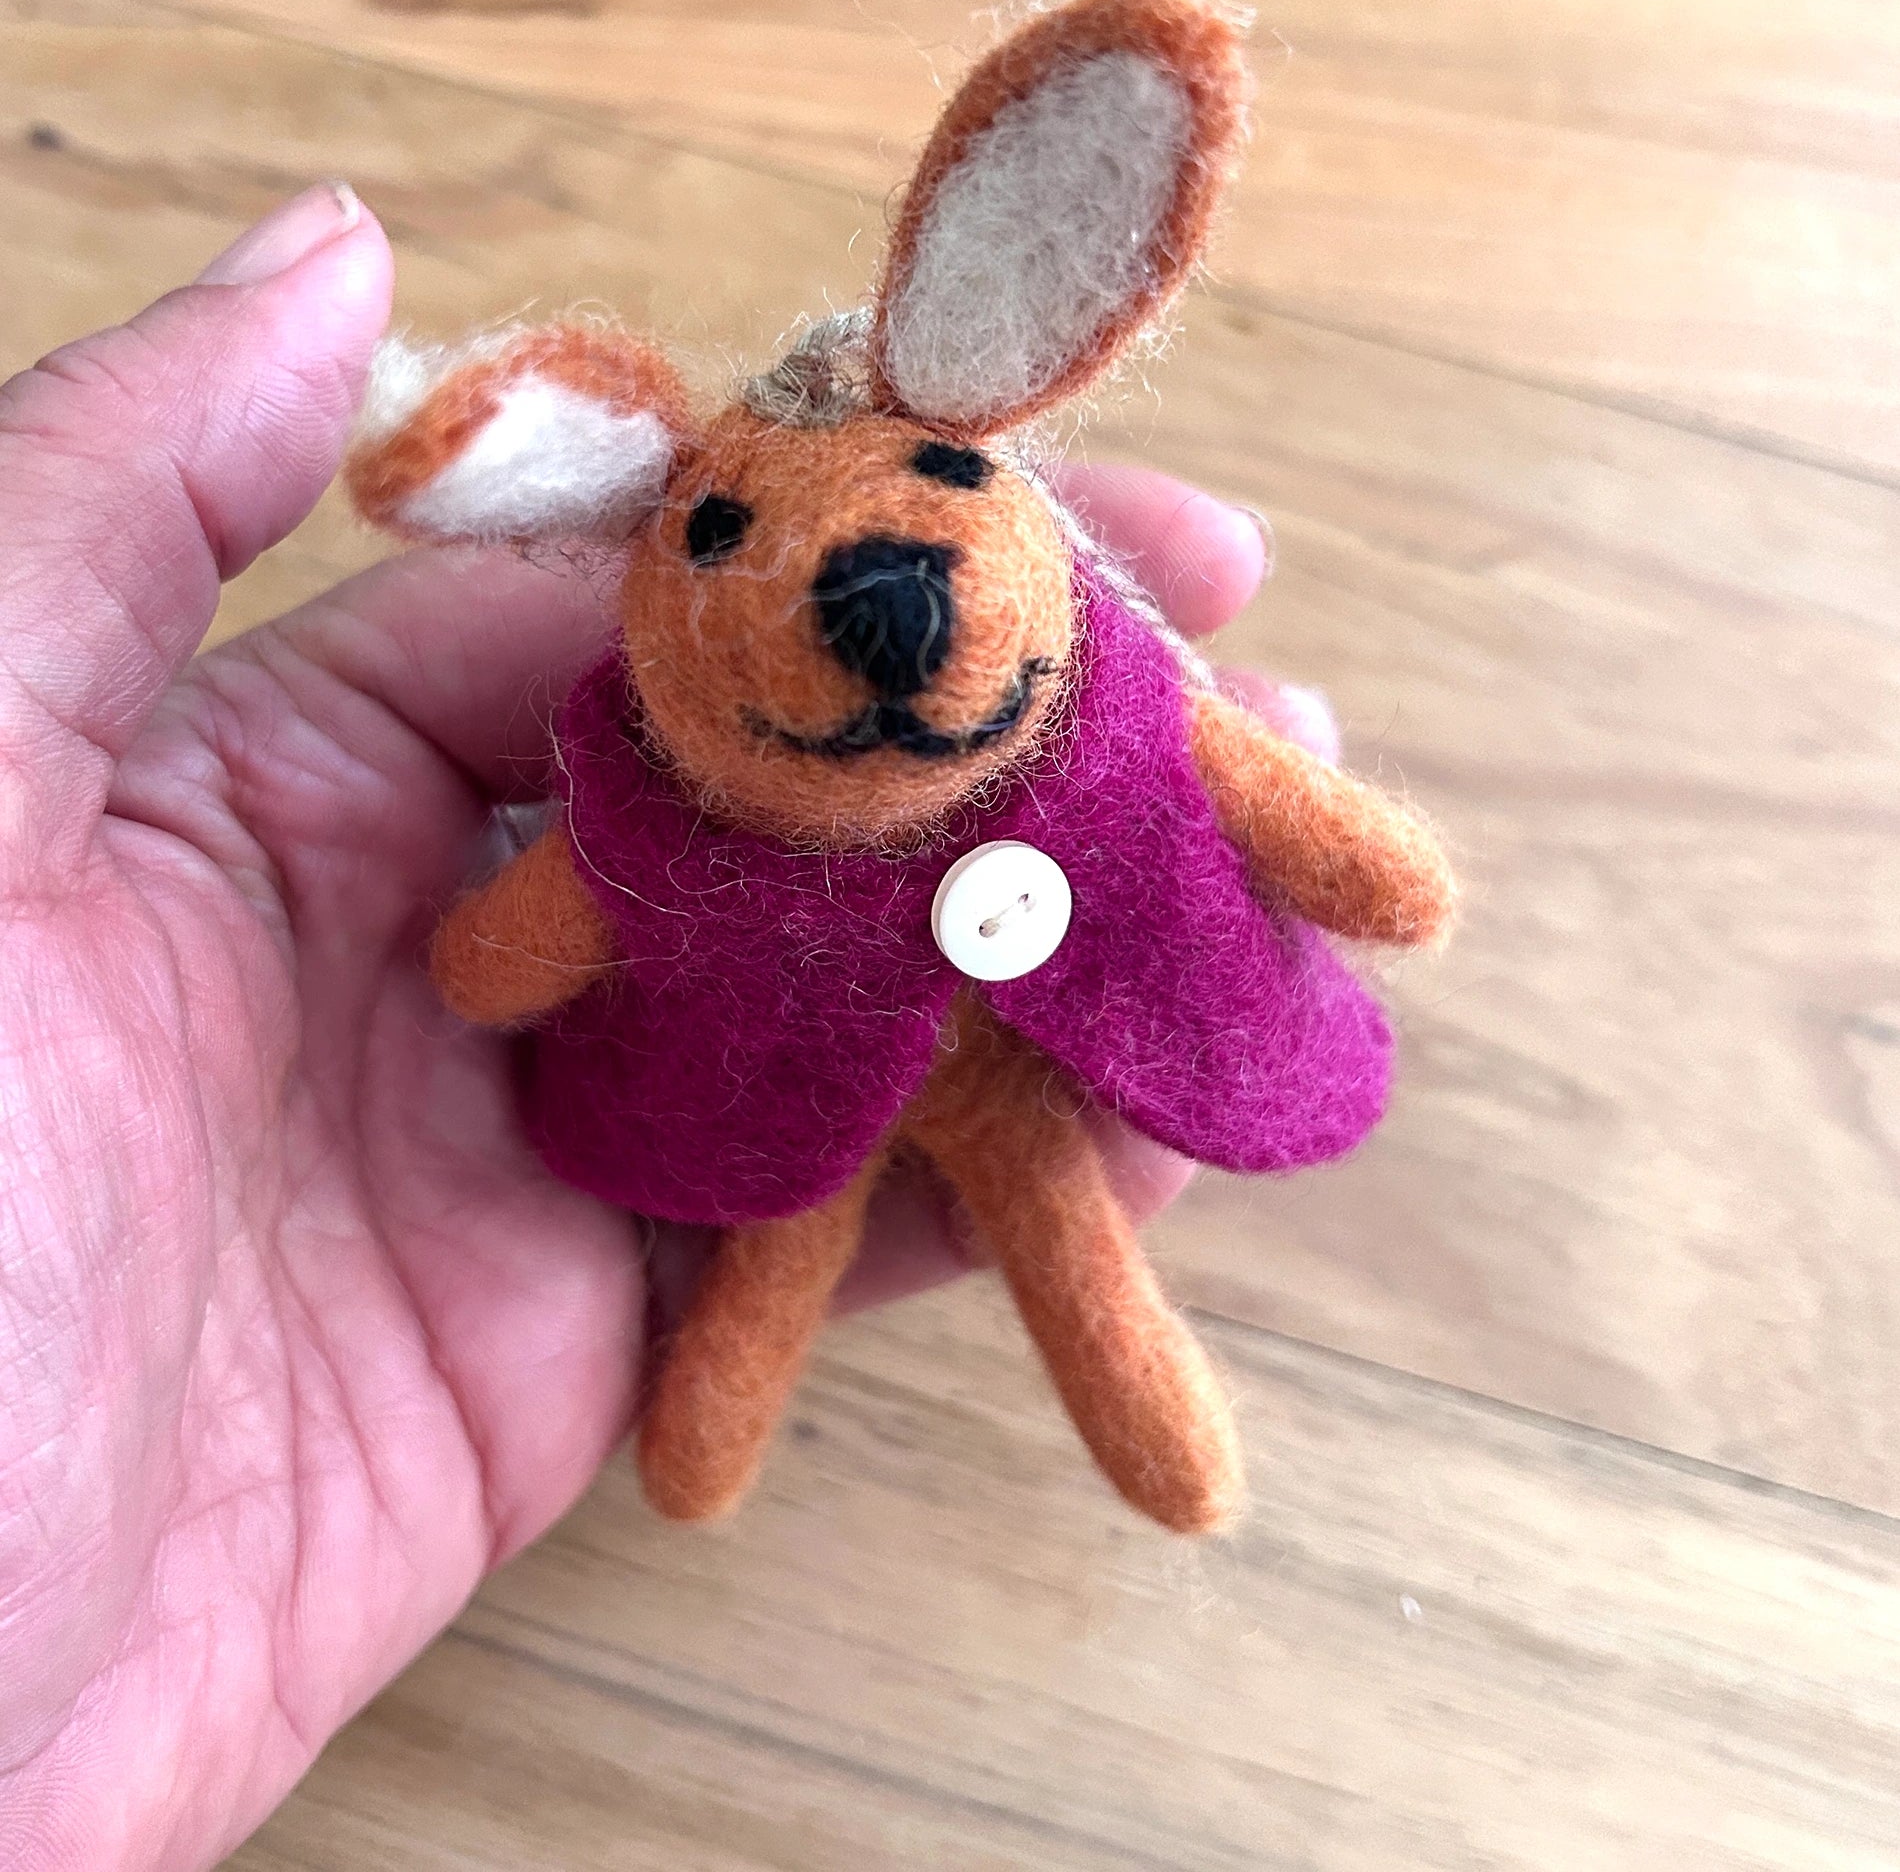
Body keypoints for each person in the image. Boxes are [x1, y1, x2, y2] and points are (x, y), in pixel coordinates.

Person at [0, 185, 1327, 1870]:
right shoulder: (658, 795)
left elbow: (1239, 773)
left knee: (1059, 1216)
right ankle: (734, 1425)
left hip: (1002, 1070)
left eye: (938, 487)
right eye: (719, 537)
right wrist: (480, 962)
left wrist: (1358, 864)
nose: (887, 604)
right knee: (782, 1238)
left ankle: (1119, 1419)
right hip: (763, 1104)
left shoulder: (1109, 689)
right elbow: (536, 930)